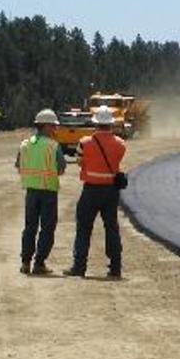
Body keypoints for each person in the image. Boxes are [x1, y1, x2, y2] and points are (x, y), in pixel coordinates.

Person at [66, 105, 126, 279]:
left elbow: (79, 162)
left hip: (91, 190)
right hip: (111, 192)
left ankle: (79, 267)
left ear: (95, 123)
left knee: (83, 229)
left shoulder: (84, 143)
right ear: (111, 124)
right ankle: (115, 268)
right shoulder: (120, 144)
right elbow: (118, 158)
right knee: (111, 228)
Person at [15, 109, 66, 275]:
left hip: (31, 192)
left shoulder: (25, 144)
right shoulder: (53, 146)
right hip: (48, 192)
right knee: (47, 227)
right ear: (44, 126)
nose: (55, 130)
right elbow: (61, 168)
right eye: (53, 126)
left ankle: (25, 262)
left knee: (30, 227)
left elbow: (18, 165)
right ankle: (39, 263)